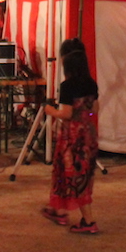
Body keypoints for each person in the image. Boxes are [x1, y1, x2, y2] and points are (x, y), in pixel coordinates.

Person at [40, 43, 100, 234]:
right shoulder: (92, 83)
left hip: (72, 136)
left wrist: (49, 110)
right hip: (88, 134)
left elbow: (66, 113)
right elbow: (95, 110)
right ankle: (58, 210)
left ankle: (88, 221)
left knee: (71, 174)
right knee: (82, 175)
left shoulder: (67, 86)